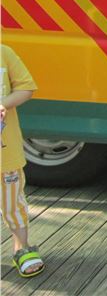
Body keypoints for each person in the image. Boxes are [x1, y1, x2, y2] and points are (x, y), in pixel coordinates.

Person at [1, 45, 45, 278]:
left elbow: (26, 87)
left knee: (13, 203)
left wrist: (4, 104)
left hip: (5, 153)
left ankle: (21, 247)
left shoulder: (4, 53)